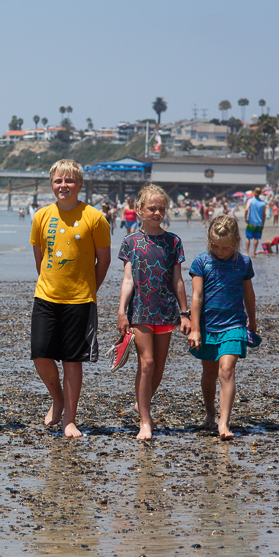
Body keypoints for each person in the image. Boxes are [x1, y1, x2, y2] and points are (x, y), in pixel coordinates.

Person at [29, 159, 111, 439]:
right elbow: (40, 258)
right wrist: (51, 283)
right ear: (51, 184)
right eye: (58, 181)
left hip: (80, 300)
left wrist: (89, 290)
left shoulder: (95, 217)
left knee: (72, 361)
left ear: (79, 184)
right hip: (46, 296)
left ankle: (70, 420)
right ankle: (58, 398)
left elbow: (104, 260)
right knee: (40, 354)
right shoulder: (41, 216)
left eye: (69, 181)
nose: (63, 186)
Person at [117, 184, 190, 441]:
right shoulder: (130, 242)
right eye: (151, 208)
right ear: (139, 210)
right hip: (140, 310)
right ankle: (145, 422)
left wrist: (185, 312)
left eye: (161, 208)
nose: (157, 212)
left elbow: (178, 280)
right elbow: (128, 280)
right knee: (146, 363)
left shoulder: (173, 242)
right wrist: (121, 311)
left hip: (167, 309)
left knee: (158, 367)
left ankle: (142, 401)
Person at [187, 215, 257, 440]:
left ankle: (223, 423)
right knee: (209, 374)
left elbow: (249, 294)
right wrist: (195, 329)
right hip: (207, 326)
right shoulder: (201, 262)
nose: (219, 251)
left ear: (236, 241)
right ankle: (210, 413)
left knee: (226, 370)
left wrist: (252, 323)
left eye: (225, 247)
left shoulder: (243, 262)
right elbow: (197, 297)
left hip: (234, 324)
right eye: (215, 245)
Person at [243, 188, 266, 257]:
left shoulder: (250, 200)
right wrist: (263, 224)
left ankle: (247, 251)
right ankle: (254, 252)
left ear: (254, 193)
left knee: (248, 237)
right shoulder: (263, 203)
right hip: (259, 223)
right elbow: (264, 214)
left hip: (251, 221)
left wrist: (245, 218)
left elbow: (246, 209)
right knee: (256, 238)